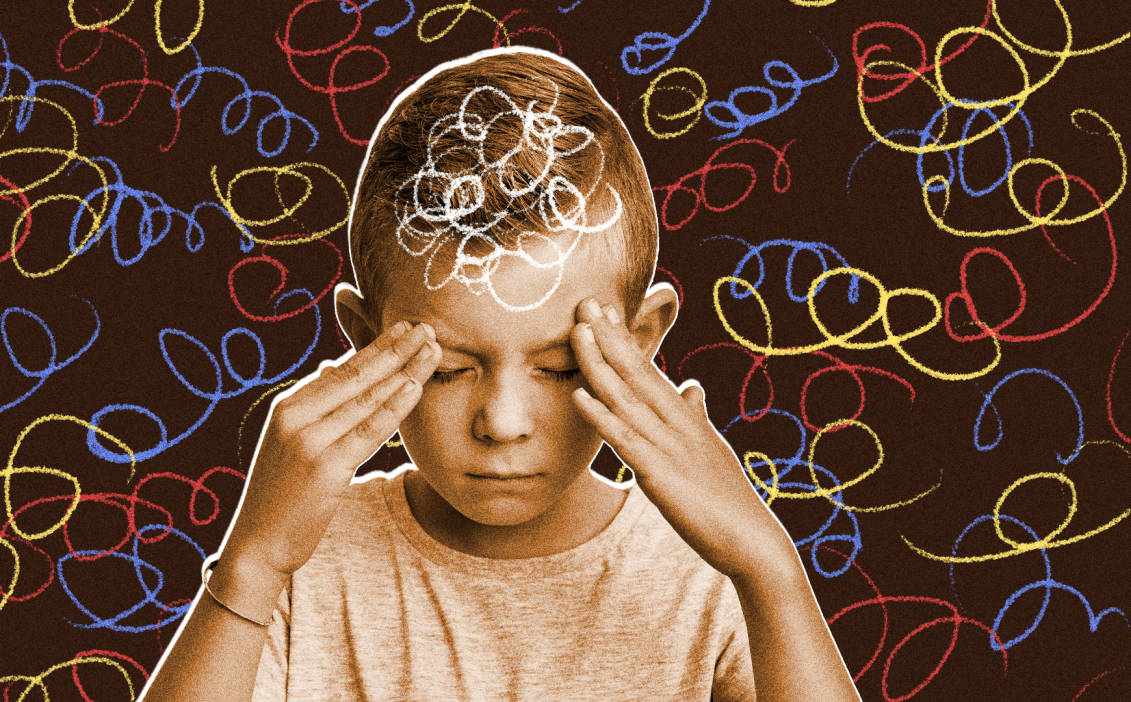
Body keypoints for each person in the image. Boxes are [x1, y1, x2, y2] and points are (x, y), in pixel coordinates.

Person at [142, 46, 861, 702]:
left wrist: (772, 572)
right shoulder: (304, 557)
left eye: (556, 367)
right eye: (451, 370)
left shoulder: (706, 575)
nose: (503, 422)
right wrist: (252, 566)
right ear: (366, 339)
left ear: (639, 342)